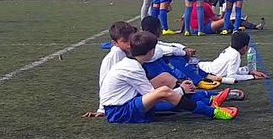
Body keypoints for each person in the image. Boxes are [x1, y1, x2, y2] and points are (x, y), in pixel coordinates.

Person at [98, 31, 237, 124]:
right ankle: (211, 111)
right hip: (119, 111)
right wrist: (181, 90)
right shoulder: (132, 67)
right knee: (164, 91)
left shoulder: (132, 63)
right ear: (151, 51)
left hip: (124, 103)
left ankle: (209, 100)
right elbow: (154, 95)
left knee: (164, 79)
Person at [198, 31, 268, 84]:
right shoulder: (236, 55)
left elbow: (231, 71)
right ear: (245, 47)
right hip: (201, 71)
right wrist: (252, 77)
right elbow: (231, 76)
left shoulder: (230, 50)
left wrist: (250, 72)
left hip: (202, 67)